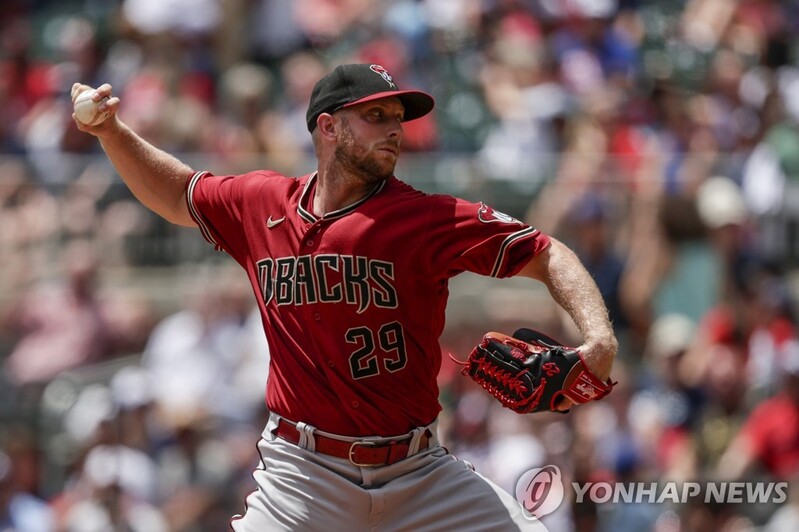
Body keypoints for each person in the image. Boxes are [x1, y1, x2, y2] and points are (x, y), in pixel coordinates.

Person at [72, 63, 617, 531]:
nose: (395, 130)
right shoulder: (263, 204)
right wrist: (112, 132)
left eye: (398, 119)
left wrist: (599, 337)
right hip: (303, 477)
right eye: (375, 116)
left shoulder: (424, 218)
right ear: (328, 127)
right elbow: (177, 193)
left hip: (420, 473)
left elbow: (547, 253)